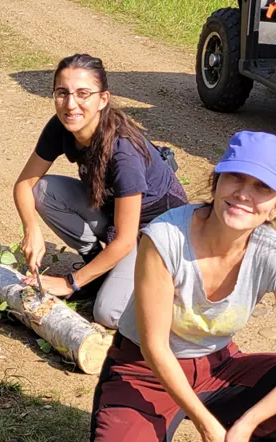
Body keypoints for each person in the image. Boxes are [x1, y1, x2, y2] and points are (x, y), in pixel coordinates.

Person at [87, 131, 276, 442]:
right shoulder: (165, 237)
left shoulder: (272, 254)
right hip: (146, 371)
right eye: (236, 177)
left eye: (262, 187)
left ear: (275, 208)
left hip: (219, 367)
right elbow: (155, 347)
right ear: (216, 182)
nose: (244, 194)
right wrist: (207, 426)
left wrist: (245, 426)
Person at [13, 53, 188, 329]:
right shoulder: (61, 125)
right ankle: (98, 270)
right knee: (44, 190)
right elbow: (25, 184)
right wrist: (31, 229)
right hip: (117, 218)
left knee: (108, 313)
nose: (71, 104)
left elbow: (126, 240)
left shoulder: (123, 152)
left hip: (157, 233)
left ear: (103, 99)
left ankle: (164, 289)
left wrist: (69, 283)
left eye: (83, 94)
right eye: (62, 93)